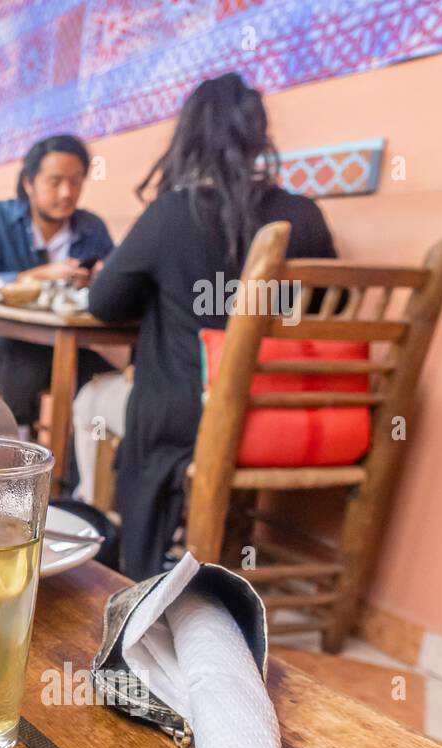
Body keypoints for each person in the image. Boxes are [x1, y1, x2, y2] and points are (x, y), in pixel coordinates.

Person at [86, 73, 339, 580]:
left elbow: (103, 304)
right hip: (284, 415)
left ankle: (117, 559)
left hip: (193, 416)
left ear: (188, 137)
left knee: (92, 400)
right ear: (257, 135)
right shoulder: (304, 215)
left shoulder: (173, 213)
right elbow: (333, 304)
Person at [0, 135, 117, 436]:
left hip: (69, 340)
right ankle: (14, 446)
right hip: (0, 340)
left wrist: (100, 278)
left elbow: (114, 284)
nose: (66, 193)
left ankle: (77, 472)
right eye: (55, 181)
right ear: (29, 183)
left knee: (100, 374)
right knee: (21, 359)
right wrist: (35, 276)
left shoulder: (92, 228)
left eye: (76, 182)